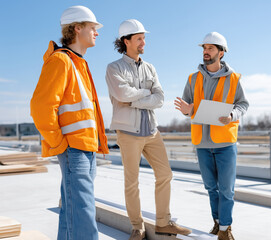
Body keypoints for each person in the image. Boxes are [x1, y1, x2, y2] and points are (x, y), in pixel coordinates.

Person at [105, 19, 191, 240]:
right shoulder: (114, 68)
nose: (144, 42)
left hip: (152, 131)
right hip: (128, 133)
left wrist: (135, 97)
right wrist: (145, 94)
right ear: (126, 41)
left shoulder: (150, 67)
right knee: (131, 182)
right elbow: (122, 95)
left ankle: (163, 222)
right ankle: (137, 226)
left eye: (144, 38)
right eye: (139, 38)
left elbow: (160, 99)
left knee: (165, 175)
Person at [30, 6, 108, 240]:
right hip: (73, 148)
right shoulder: (61, 61)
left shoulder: (78, 63)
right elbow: (41, 108)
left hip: (85, 148)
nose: (97, 33)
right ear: (77, 28)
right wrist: (59, 143)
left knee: (72, 210)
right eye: (93, 28)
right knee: (83, 212)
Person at [174, 32, 249, 240]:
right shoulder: (193, 78)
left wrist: (233, 114)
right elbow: (187, 107)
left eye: (210, 48)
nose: (206, 52)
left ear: (221, 52)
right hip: (202, 142)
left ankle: (225, 229)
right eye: (204, 48)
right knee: (211, 188)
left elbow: (243, 104)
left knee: (226, 189)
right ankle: (217, 222)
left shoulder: (234, 78)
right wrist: (187, 110)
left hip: (225, 142)